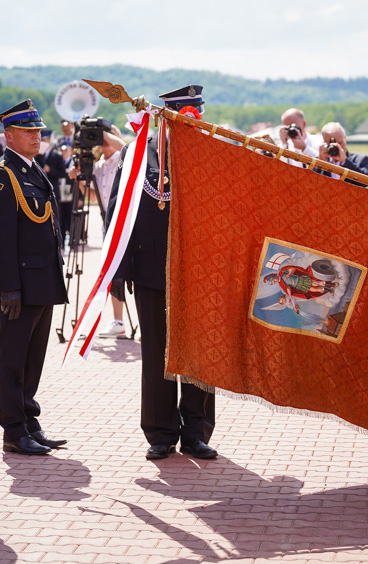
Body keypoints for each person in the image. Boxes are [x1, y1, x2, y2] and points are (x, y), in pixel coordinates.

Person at [107, 84, 217, 461]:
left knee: (200, 354)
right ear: (166, 118)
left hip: (201, 273)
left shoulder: (212, 153)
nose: (192, 122)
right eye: (184, 116)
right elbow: (118, 211)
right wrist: (117, 272)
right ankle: (160, 431)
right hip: (152, 269)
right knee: (156, 354)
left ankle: (197, 431)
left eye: (195, 115)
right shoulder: (138, 153)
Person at [0, 99, 68, 456]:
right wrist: (7, 288)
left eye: (39, 131)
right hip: (21, 286)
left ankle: (29, 420)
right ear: (9, 135)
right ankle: (14, 430)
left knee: (33, 360)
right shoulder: (2, 175)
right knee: (13, 359)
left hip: (42, 282)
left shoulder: (33, 170)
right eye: (29, 132)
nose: (38, 136)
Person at [68, 124, 128, 337]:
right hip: (107, 224)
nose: (102, 142)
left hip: (125, 224)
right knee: (111, 273)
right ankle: (118, 321)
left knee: (129, 274)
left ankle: (131, 321)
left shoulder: (123, 158)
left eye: (107, 137)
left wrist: (104, 134)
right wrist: (79, 180)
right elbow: (93, 198)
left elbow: (123, 146)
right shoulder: (99, 166)